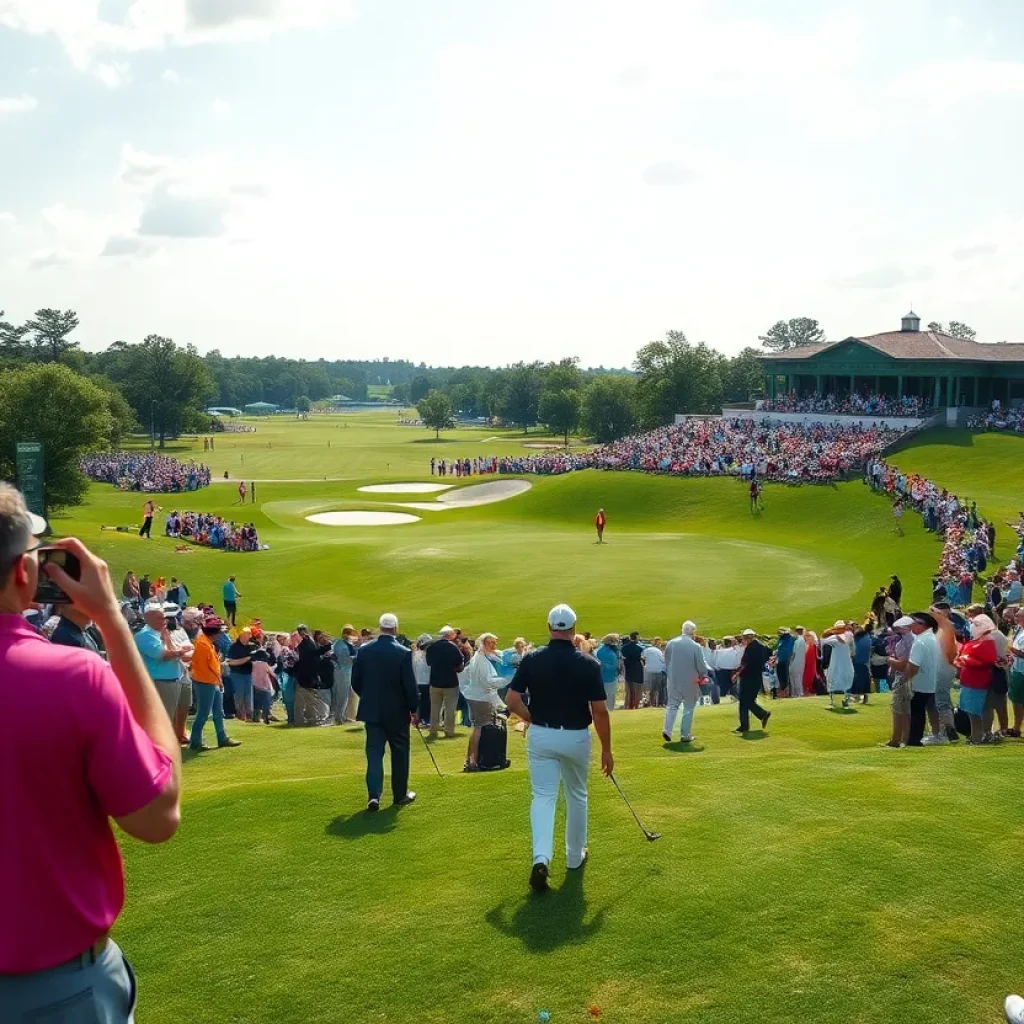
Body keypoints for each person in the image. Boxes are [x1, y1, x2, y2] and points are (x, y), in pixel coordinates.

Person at [0, 485, 180, 1019]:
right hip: (51, 992)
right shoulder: (70, 676)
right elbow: (157, 815)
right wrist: (112, 621)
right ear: (23, 572)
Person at [504, 603, 612, 893]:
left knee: (543, 797)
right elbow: (600, 712)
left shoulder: (532, 658)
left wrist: (530, 718)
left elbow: (512, 700)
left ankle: (541, 858)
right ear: (574, 628)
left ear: (550, 627)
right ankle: (575, 857)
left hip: (542, 734)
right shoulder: (589, 663)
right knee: (576, 795)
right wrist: (606, 749)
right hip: (576, 736)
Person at [351, 612, 418, 811]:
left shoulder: (365, 651)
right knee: (399, 753)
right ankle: (400, 795)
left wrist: (368, 696)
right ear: (395, 629)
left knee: (374, 753)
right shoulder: (403, 652)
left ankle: (374, 795)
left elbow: (356, 681)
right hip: (397, 712)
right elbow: (409, 685)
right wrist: (414, 709)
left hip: (372, 710)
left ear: (380, 628)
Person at [189, 616, 241, 751]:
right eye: (219, 631)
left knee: (219, 712)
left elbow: (213, 665)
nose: (221, 634)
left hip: (213, 681)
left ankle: (222, 738)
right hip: (205, 682)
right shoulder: (202, 645)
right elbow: (201, 666)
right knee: (203, 713)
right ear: (214, 632)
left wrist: (219, 681)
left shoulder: (207, 643)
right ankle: (195, 741)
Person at [134, 600, 189, 728]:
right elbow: (163, 655)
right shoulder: (145, 635)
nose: (165, 620)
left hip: (172, 680)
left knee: (170, 717)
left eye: (165, 617)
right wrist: (180, 652)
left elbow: (171, 650)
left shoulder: (161, 633)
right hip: (160, 682)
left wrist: (168, 639)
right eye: (160, 618)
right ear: (148, 619)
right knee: (163, 720)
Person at [462, 633, 504, 770]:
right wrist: (504, 681)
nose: (494, 646)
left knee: (477, 728)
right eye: (491, 643)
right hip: (480, 698)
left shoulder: (480, 657)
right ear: (485, 644)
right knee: (479, 728)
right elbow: (487, 682)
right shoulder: (481, 660)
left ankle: (470, 759)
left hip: (476, 696)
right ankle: (474, 761)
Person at [661, 621, 707, 743]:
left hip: (673, 678)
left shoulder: (671, 643)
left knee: (672, 704)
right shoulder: (695, 646)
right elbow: (701, 665)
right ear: (693, 632)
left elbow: (666, 659)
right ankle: (685, 734)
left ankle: (667, 730)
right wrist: (703, 675)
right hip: (690, 679)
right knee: (689, 707)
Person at [955, 613, 998, 744]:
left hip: (976, 682)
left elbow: (986, 661)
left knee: (974, 713)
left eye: (976, 624)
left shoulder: (987, 641)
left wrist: (965, 659)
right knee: (969, 711)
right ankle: (975, 736)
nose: (972, 627)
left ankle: (976, 738)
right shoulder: (978, 640)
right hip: (969, 681)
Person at [904, 612, 940, 747]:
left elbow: (914, 666)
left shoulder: (920, 641)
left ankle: (914, 739)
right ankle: (916, 737)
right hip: (930, 681)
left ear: (922, 625)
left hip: (921, 682)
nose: (911, 626)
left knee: (917, 711)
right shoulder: (931, 638)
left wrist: (904, 681)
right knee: (923, 709)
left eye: (914, 623)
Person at [426, 625, 465, 738]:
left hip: (435, 681)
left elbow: (429, 663)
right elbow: (459, 665)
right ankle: (449, 730)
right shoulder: (453, 648)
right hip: (450, 682)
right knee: (450, 708)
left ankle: (433, 728)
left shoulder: (431, 647)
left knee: (434, 707)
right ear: (449, 635)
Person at [884, 616, 916, 747]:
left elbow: (903, 664)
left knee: (899, 709)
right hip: (911, 678)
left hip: (903, 678)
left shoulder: (906, 642)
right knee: (906, 710)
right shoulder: (914, 639)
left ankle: (897, 739)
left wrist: (890, 660)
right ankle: (905, 738)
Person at [734, 629, 772, 734]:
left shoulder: (751, 648)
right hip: (756, 677)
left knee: (745, 701)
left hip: (748, 678)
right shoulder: (761, 647)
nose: (744, 640)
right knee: (748, 701)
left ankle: (759, 716)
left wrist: (738, 673)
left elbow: (746, 665)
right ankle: (754, 719)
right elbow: (767, 658)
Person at [821, 621, 855, 708]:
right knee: (846, 682)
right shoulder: (850, 636)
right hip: (847, 664)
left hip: (836, 663)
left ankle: (833, 702)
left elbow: (823, 639)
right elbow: (853, 652)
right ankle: (845, 701)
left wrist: (832, 631)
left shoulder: (834, 638)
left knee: (833, 680)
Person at [227, 627, 256, 723]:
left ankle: (249, 716)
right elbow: (230, 662)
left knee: (248, 696)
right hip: (236, 674)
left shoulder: (252, 646)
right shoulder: (234, 647)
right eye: (247, 634)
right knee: (238, 695)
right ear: (241, 635)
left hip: (248, 674)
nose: (249, 636)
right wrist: (247, 659)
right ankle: (240, 715)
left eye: (249, 634)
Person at [331, 626, 357, 725]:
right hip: (342, 672)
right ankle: (338, 717)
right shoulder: (339, 644)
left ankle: (343, 716)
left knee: (346, 695)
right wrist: (356, 657)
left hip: (347, 671)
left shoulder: (347, 643)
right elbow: (344, 660)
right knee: (341, 695)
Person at [594, 633, 621, 710]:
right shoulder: (611, 653)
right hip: (610, 678)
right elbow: (614, 667)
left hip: (601, 677)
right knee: (610, 697)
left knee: (603, 698)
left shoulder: (599, 650)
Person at [620, 631, 645, 709]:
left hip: (628, 669)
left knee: (629, 690)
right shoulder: (639, 648)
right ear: (637, 637)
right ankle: (636, 705)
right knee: (637, 689)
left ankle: (628, 705)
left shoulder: (624, 648)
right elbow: (642, 658)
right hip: (637, 670)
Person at [641, 639, 666, 708]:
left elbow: (642, 657)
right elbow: (663, 661)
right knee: (658, 688)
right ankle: (658, 703)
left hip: (649, 670)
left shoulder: (647, 650)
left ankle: (651, 703)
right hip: (658, 670)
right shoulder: (659, 652)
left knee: (650, 689)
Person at [774, 628, 794, 697]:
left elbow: (776, 646)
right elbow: (776, 646)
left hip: (785, 661)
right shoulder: (783, 639)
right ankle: (784, 692)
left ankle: (785, 692)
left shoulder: (788, 639)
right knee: (782, 677)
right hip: (781, 660)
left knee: (784, 677)